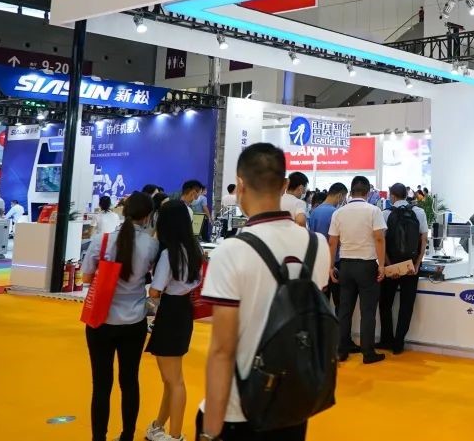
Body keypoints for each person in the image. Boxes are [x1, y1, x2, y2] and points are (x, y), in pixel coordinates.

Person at [197, 142, 330, 441]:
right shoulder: (318, 245)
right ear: (285, 185)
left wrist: (210, 430)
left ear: (240, 186)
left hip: (239, 410)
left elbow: (222, 349)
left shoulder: (231, 250)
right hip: (294, 405)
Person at [81, 191, 160, 441]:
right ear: (148, 216)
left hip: (100, 321)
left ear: (124, 212)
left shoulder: (101, 241)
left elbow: (86, 277)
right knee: (130, 382)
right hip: (134, 322)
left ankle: (99, 437)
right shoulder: (151, 245)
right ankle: (127, 435)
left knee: (101, 385)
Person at [144, 200, 203, 441]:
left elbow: (155, 290)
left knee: (174, 381)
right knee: (170, 380)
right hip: (184, 311)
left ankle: (176, 435)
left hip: (169, 312)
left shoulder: (169, 254)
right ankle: (158, 426)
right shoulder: (195, 250)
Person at [328, 174, 387, 364]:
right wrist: (382, 265)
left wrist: (330, 266)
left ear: (351, 191)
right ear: (368, 192)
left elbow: (332, 242)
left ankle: (341, 351)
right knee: (367, 311)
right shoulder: (373, 211)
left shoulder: (339, 213)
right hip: (367, 265)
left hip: (345, 265)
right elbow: (379, 238)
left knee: (344, 310)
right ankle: (368, 353)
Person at [379, 183, 427, 355]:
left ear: (392, 196)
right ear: (406, 195)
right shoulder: (419, 212)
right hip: (411, 266)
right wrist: (417, 263)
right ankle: (399, 343)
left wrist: (388, 264)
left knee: (385, 303)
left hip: (391, 265)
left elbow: (381, 242)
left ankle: (386, 339)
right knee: (406, 305)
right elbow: (424, 240)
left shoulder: (385, 214)